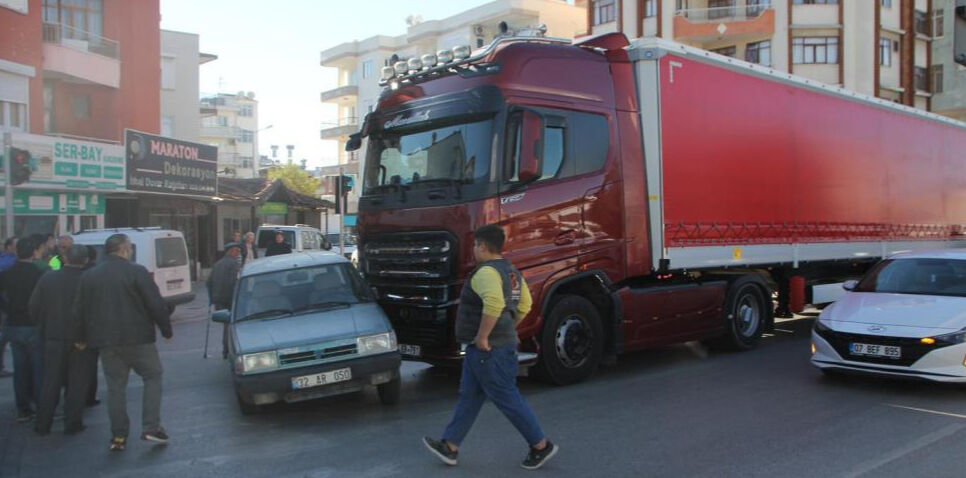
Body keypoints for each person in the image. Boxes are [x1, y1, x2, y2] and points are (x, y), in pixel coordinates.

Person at [423, 225, 557, 471]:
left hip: (488, 349)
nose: (474, 250)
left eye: (475, 245)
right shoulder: (511, 271)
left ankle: (540, 445)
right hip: (488, 348)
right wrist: (509, 327)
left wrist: (484, 336)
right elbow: (525, 304)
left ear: (483, 246)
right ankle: (450, 446)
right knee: (470, 396)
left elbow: (494, 303)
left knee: (506, 396)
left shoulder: (485, 273)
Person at [74, 234, 172, 451]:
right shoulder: (136, 271)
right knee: (152, 376)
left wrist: (81, 337)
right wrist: (166, 329)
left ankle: (118, 436)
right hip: (137, 339)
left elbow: (79, 310)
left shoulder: (89, 276)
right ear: (124, 249)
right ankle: (151, 427)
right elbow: (154, 303)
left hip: (106, 342)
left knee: (115, 388)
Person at [30, 245, 91, 435]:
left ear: (65, 258)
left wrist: (44, 326)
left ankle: (43, 424)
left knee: (51, 382)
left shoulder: (49, 278)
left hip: (54, 336)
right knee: (77, 383)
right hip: (81, 339)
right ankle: (73, 422)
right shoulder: (88, 280)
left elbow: (33, 306)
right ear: (86, 260)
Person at [0, 237, 47, 422]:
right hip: (34, 324)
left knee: (20, 369)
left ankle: (23, 408)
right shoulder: (40, 273)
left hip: (14, 323)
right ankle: (42, 404)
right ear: (35, 252)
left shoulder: (7, 273)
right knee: (38, 368)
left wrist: (7, 309)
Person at [208, 242, 241, 359]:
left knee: (225, 326)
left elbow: (209, 282)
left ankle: (225, 350)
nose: (238, 253)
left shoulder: (217, 264)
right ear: (231, 251)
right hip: (229, 299)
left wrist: (211, 298)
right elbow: (234, 282)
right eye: (237, 250)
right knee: (230, 326)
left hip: (218, 299)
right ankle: (228, 349)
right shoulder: (234, 264)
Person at [0, 237, 18, 378]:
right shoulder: (9, 262)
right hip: (6, 305)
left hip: (7, 304)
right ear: (8, 247)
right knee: (4, 336)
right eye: (15, 245)